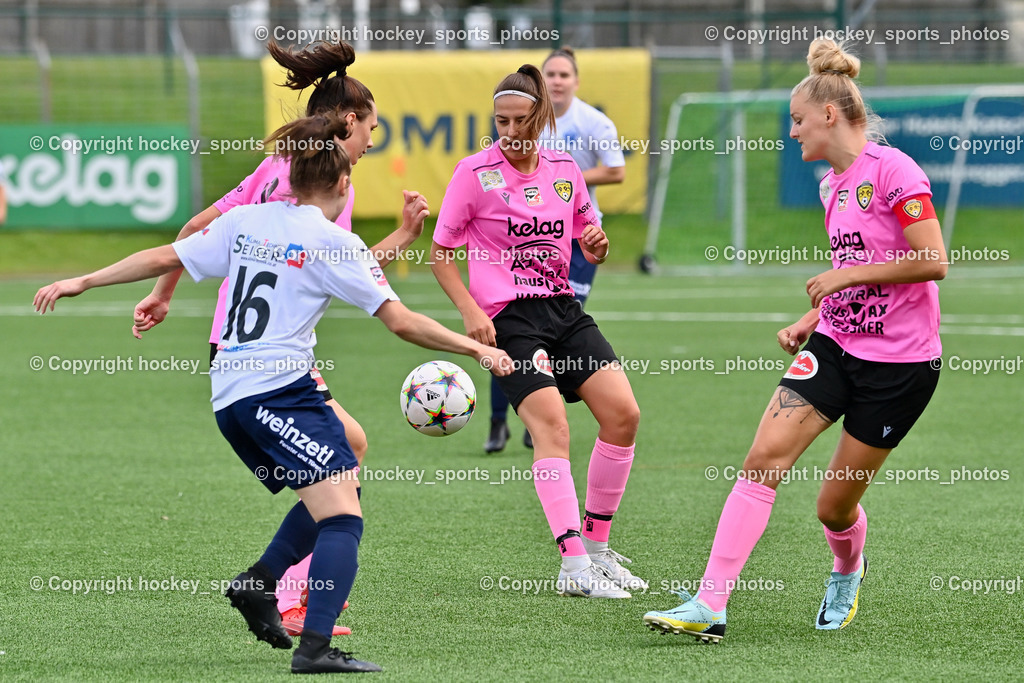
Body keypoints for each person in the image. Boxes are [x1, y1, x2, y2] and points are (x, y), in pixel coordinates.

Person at [34, 113, 512, 674]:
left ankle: (259, 582)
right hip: (276, 393)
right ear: (342, 184)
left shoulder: (248, 220)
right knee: (344, 520)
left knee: (341, 486)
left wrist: (84, 280)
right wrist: (476, 349)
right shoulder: (334, 241)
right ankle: (315, 648)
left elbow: (168, 254)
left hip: (234, 394)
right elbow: (402, 321)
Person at [643, 39, 947, 642]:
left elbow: (933, 261)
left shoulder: (895, 171)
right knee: (763, 461)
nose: (792, 132)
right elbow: (854, 270)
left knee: (832, 508)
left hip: (900, 366)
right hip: (835, 344)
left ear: (829, 115)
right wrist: (816, 314)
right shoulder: (831, 185)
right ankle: (710, 603)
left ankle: (847, 567)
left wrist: (845, 278)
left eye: (798, 120)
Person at [131, 40, 417, 636]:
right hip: (266, 354)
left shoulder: (280, 164)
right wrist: (403, 238)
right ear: (348, 122)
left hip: (237, 340)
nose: (372, 141)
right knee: (341, 472)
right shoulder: (325, 185)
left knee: (349, 447)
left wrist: (164, 291)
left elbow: (196, 228)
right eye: (371, 128)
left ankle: (280, 585)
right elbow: (345, 270)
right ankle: (287, 595)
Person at [430, 64, 645, 598]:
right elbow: (441, 254)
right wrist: (470, 311)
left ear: (542, 117)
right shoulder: (473, 173)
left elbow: (588, 233)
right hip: (508, 319)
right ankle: (573, 566)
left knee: (623, 415)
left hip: (562, 308)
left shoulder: (565, 168)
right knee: (553, 428)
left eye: (520, 121)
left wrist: (596, 244)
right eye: (501, 121)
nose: (510, 132)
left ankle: (598, 550)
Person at [483, 46, 627, 454]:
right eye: (552, 74)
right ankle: (498, 422)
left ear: (576, 81)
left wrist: (563, 175)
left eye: (565, 74)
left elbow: (616, 170)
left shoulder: (593, 122)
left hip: (576, 240)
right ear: (541, 84)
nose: (558, 80)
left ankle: (541, 416)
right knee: (511, 332)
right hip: (526, 241)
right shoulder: (526, 119)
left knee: (558, 325)